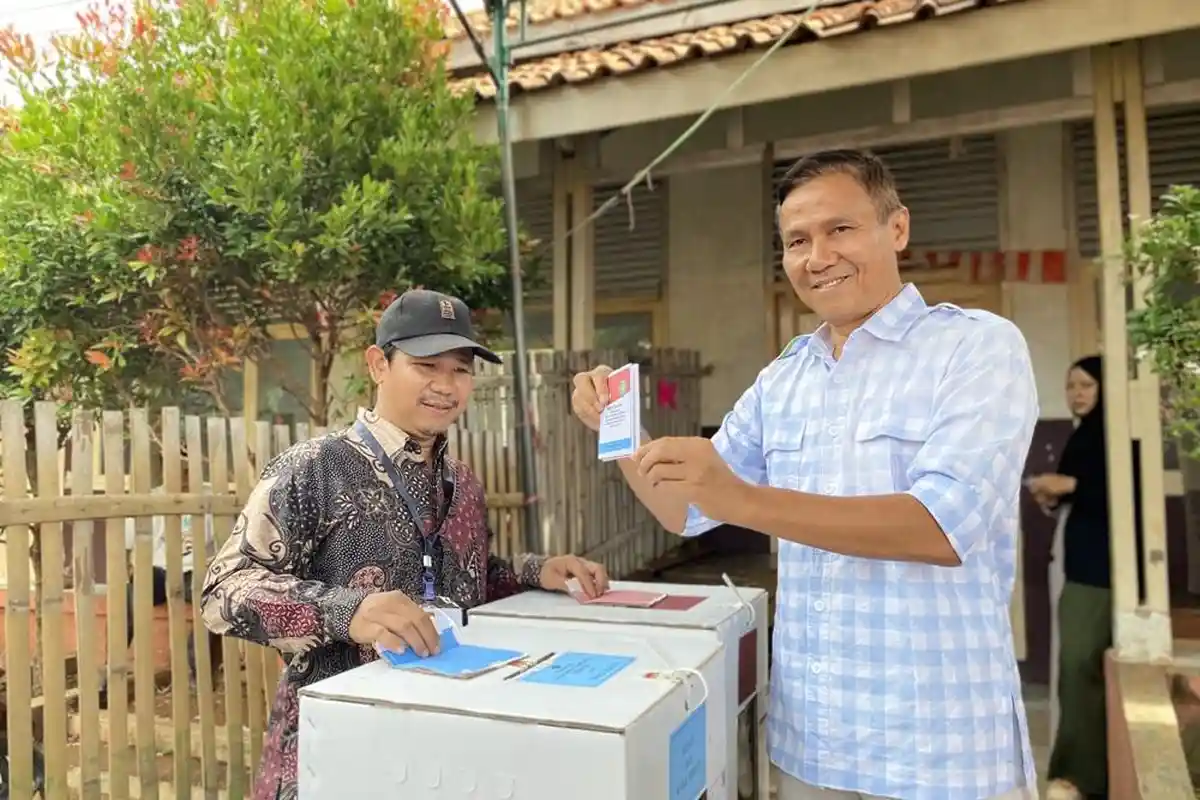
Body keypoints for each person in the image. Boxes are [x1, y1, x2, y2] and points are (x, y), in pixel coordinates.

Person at [572, 149, 1038, 800]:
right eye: (797, 240)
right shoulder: (785, 377)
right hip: (809, 747)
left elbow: (941, 527)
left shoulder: (975, 348)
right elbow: (685, 511)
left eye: (840, 229)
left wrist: (740, 496)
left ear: (896, 228)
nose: (818, 256)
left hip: (938, 751)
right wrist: (616, 431)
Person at [201, 288, 610, 800]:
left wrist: (535, 572)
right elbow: (223, 591)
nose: (446, 385)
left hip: (440, 748)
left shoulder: (463, 482)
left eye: (460, 369)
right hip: (333, 752)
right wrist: (346, 610)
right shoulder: (315, 468)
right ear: (378, 364)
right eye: (426, 365)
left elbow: (461, 579)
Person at [1029, 355, 1140, 800]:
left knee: (1080, 668)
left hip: (1102, 572)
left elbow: (1122, 493)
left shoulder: (1118, 437)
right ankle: (1081, 773)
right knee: (1079, 671)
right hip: (1083, 566)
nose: (1076, 393)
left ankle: (1078, 777)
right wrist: (1053, 496)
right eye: (1070, 385)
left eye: (1086, 385)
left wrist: (1069, 487)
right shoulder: (1085, 437)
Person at [99, 468, 220, 708]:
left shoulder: (210, 498)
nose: (183, 476)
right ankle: (111, 671)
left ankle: (198, 670)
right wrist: (132, 568)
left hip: (194, 568)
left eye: (187, 470)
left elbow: (223, 540)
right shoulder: (153, 497)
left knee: (212, 599)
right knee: (127, 600)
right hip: (157, 568)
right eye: (178, 469)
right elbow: (128, 541)